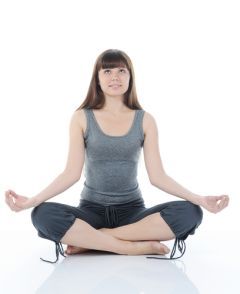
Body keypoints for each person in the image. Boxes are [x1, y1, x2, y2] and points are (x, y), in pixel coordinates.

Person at [5, 49, 229, 263]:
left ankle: (94, 240)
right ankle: (128, 246)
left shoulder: (145, 120)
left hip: (132, 212)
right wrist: (32, 201)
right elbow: (71, 174)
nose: (115, 77)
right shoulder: (82, 118)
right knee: (42, 215)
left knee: (190, 213)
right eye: (108, 71)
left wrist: (199, 199)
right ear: (98, 79)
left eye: (122, 71)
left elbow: (158, 176)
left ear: (130, 77)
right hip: (90, 210)